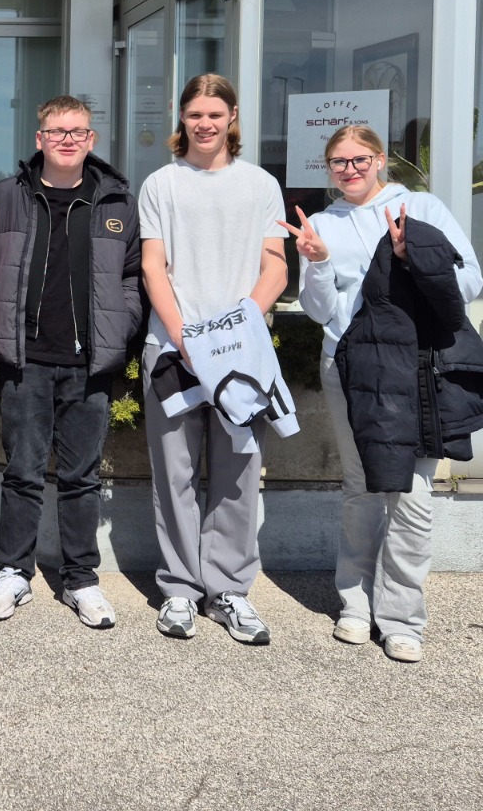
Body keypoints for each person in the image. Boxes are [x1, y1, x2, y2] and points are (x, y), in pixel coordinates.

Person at [283, 124, 483, 664]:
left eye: (359, 159)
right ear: (328, 170)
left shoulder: (420, 207)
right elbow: (321, 310)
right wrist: (319, 261)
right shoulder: (322, 223)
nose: (350, 169)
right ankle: (355, 603)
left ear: (380, 160)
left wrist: (411, 255)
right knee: (361, 487)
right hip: (348, 365)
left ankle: (401, 618)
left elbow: (470, 283)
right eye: (338, 162)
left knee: (413, 493)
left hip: (414, 366)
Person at [0, 95, 143, 629]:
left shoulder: (116, 202)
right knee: (22, 472)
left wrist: (117, 330)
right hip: (25, 360)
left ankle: (81, 580)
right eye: (57, 130)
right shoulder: (5, 197)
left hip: (90, 364)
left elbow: (135, 277)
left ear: (91, 140)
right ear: (39, 138)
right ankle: (14, 574)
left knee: (81, 477)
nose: (67, 139)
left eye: (78, 131)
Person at [138, 74, 288, 645]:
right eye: (195, 114)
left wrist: (234, 328)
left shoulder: (260, 185)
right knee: (173, 473)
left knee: (238, 472)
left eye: (214, 114)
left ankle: (228, 590)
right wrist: (188, 338)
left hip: (242, 354)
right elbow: (154, 266)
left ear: (232, 119)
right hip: (172, 348)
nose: (204, 123)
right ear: (183, 120)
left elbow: (275, 266)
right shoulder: (162, 184)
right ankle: (179, 589)